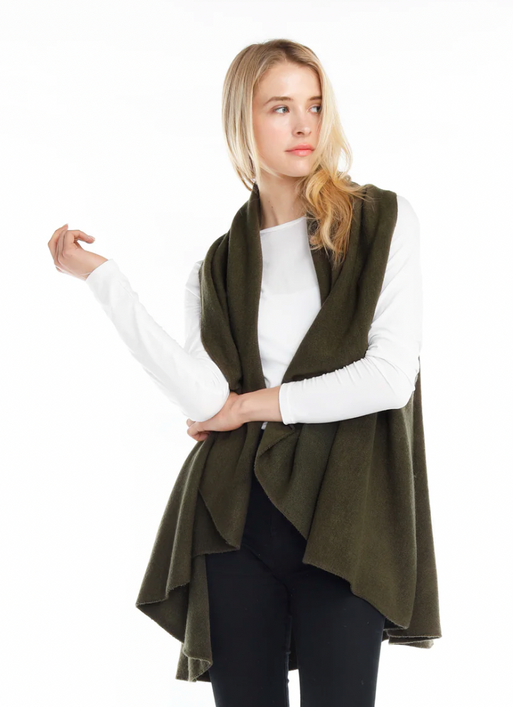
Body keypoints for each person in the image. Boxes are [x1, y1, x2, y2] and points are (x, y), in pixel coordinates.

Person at [48, 39, 427, 707]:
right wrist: (104, 281)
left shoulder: (379, 221)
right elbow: (204, 398)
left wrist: (250, 406)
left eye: (315, 106)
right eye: (280, 108)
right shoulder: (217, 265)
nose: (304, 124)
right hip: (234, 519)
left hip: (346, 512)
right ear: (241, 123)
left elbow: (390, 377)